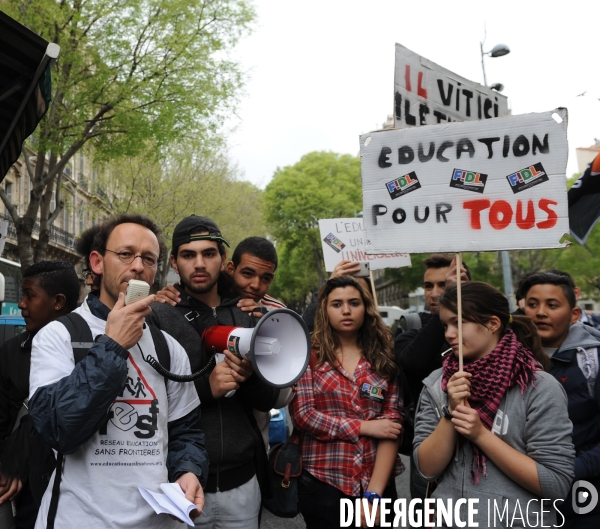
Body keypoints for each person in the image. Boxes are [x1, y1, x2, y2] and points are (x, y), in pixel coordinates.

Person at [28, 214, 207, 529]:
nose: (138, 266)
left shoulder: (168, 347)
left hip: (159, 521)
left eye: (148, 259)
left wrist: (187, 471)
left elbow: (185, 431)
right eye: (125, 254)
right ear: (97, 262)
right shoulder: (58, 336)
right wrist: (112, 346)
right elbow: (57, 428)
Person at [147, 215, 279, 529]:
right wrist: (206, 389)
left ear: (223, 260)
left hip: (242, 485)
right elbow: (150, 400)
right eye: (188, 255)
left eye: (209, 253)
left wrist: (248, 375)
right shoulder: (158, 315)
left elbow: (269, 398)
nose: (200, 263)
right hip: (181, 483)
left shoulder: (248, 312)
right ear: (175, 264)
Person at [414, 282, 574, 527]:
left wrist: (480, 435)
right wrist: (451, 412)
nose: (448, 334)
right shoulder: (437, 384)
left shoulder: (538, 387)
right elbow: (426, 470)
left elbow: (555, 484)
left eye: (459, 323)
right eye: (445, 324)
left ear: (492, 323)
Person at [291, 276, 404, 529]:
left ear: (366, 307)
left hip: (377, 482)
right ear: (324, 310)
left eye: (354, 303)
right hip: (324, 483)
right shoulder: (309, 354)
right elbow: (304, 416)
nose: (346, 310)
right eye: (336, 304)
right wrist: (363, 427)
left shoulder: (384, 356)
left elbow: (392, 425)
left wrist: (374, 495)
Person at [0, 261, 80, 529]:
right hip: (23, 500)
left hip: (75, 496)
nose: (21, 304)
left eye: (30, 296)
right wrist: (8, 468)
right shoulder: (11, 352)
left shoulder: (92, 349)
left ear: (58, 302)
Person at [522, 272, 600, 527]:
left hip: (583, 499)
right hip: (522, 502)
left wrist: (567, 472)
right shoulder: (505, 361)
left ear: (574, 314)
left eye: (552, 305)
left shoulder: (592, 362)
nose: (540, 312)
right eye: (532, 304)